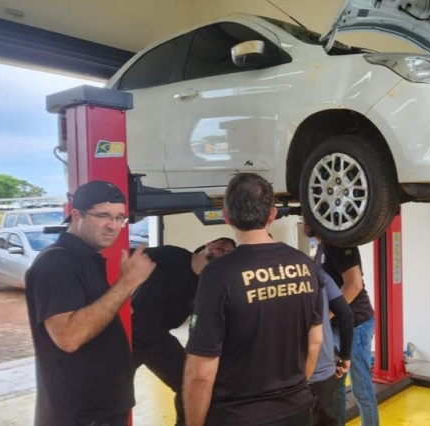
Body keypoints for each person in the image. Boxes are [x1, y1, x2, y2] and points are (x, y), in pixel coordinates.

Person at [183, 173, 324, 426]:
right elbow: (315, 341)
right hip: (296, 411)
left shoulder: (219, 273)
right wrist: (291, 394)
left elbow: (201, 372)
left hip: (238, 416)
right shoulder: (305, 265)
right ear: (272, 214)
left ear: (227, 217)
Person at [25, 180, 156, 426]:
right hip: (82, 415)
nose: (113, 226)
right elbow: (69, 336)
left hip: (100, 409)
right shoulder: (57, 264)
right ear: (77, 215)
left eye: (120, 218)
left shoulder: (86, 258)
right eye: (103, 215)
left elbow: (93, 316)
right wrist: (127, 283)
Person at [131, 237, 236, 426]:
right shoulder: (171, 255)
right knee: (115, 399)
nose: (225, 248)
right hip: (128, 339)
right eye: (222, 243)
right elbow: (127, 257)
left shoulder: (208, 285)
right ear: (207, 244)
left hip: (159, 340)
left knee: (190, 386)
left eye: (229, 250)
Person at [309, 229, 379, 426]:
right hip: (334, 326)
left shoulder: (339, 244)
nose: (305, 222)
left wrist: (326, 316)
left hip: (356, 324)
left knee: (361, 388)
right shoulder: (321, 246)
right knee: (335, 385)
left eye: (309, 217)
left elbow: (354, 285)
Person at [308, 268, 353, 426]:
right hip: (322, 369)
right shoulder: (318, 272)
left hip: (286, 376)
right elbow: (346, 314)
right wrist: (345, 356)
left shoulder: (255, 276)